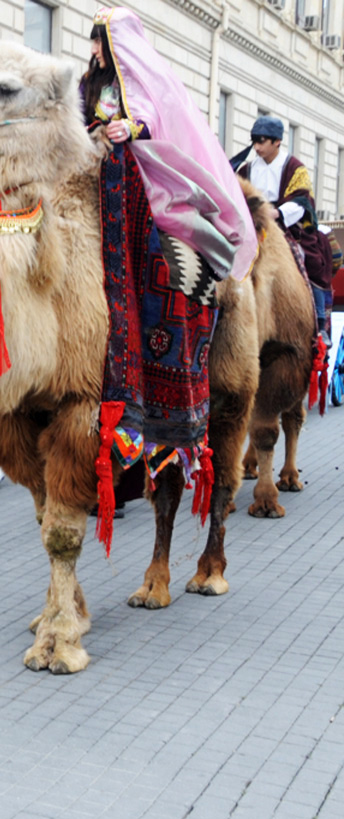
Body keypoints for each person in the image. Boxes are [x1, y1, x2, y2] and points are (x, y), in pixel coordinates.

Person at [78, 7, 257, 540]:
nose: (93, 50)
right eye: (92, 42)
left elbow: (154, 120)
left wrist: (127, 126)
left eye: (99, 41)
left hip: (138, 179)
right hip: (94, 174)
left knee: (162, 262)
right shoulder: (91, 82)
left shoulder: (142, 81)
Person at [236, 115, 333, 334]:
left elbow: (302, 201)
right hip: (253, 224)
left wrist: (277, 213)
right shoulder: (246, 169)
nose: (257, 147)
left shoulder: (295, 168)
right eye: (255, 142)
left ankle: (319, 320)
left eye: (262, 142)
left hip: (286, 225)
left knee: (312, 259)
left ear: (276, 142)